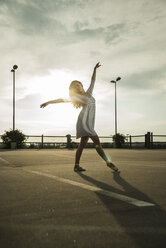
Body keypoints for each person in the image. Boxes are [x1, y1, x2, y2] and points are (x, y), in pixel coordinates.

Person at [40, 63, 119, 172]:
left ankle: (76, 165)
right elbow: (61, 99)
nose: (77, 86)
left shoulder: (89, 93)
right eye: (75, 86)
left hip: (89, 122)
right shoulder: (76, 97)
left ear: (81, 85)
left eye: (78, 84)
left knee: (82, 145)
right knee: (97, 144)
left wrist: (95, 69)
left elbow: (93, 81)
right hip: (83, 122)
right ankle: (109, 163)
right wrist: (48, 102)